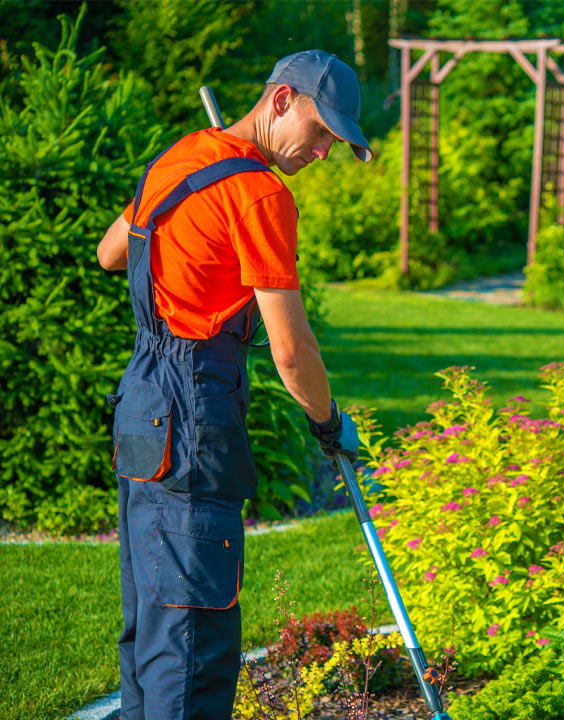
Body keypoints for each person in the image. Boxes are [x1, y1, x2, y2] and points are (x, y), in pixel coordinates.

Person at [96, 50, 365, 720]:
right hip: (194, 413)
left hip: (142, 403)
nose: (323, 152)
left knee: (152, 632)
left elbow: (111, 251)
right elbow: (291, 348)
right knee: (192, 645)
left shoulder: (182, 158)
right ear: (280, 101)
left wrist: (199, 233)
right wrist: (328, 422)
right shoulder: (261, 194)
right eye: (321, 130)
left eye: (335, 141)